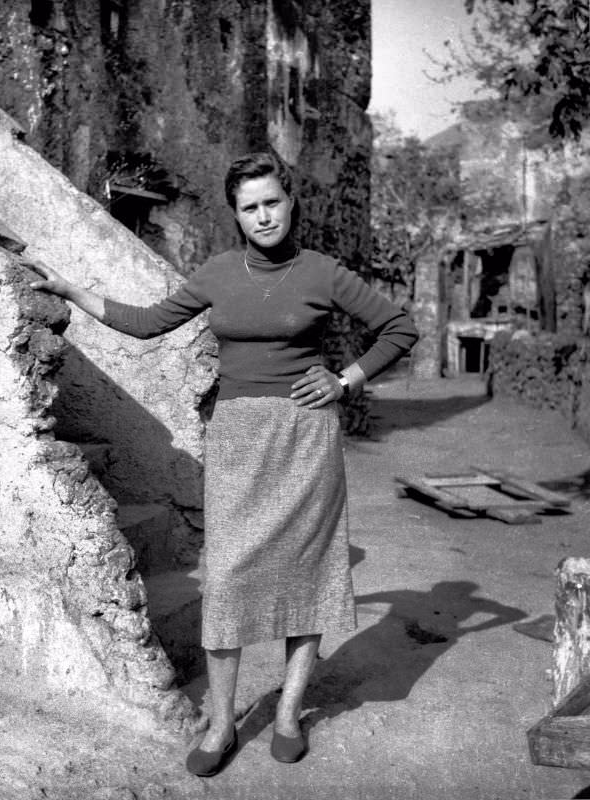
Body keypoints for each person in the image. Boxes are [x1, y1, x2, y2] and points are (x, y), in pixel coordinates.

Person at [25, 151, 418, 776]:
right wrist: (72, 289)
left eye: (272, 202)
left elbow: (398, 328)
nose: (263, 216)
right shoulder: (216, 273)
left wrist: (346, 380)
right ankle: (224, 722)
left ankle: (288, 714)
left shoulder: (322, 272)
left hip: (307, 438)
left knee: (308, 576)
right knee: (228, 578)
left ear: (290, 202)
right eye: (250, 207)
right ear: (236, 215)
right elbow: (147, 323)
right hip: (237, 438)